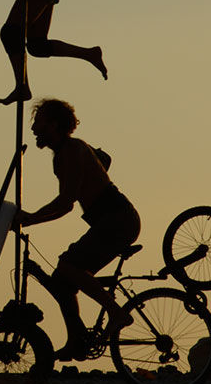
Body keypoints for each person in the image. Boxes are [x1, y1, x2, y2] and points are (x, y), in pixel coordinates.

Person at [16, 97, 141, 361]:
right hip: (108, 221)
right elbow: (103, 161)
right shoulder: (63, 155)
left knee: (68, 267)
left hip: (118, 220)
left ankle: (116, 312)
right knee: (62, 283)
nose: (34, 128)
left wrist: (30, 218)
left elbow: (66, 203)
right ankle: (76, 340)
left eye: (39, 122)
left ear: (54, 124)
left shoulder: (72, 150)